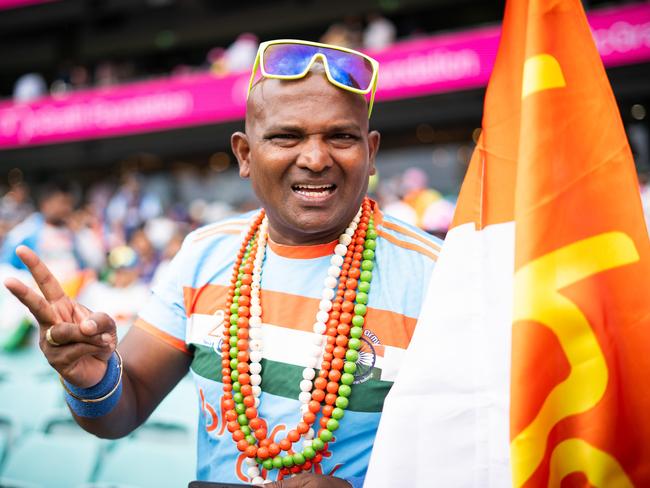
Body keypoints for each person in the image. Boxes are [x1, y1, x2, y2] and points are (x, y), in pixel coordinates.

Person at [4, 40, 442, 487]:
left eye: (341, 137)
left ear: (370, 153)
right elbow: (123, 409)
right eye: (285, 137)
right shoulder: (204, 254)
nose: (314, 159)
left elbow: (480, 455)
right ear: (246, 155)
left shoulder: (436, 277)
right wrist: (90, 378)